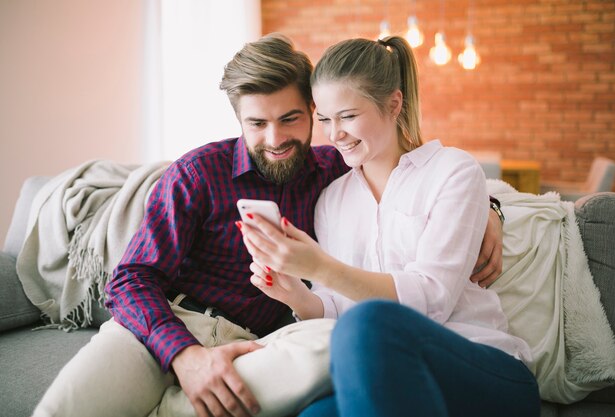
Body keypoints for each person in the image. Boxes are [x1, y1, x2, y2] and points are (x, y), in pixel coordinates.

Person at [33, 34, 505, 417]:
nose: (275, 138)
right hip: (167, 323)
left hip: (259, 345)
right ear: (238, 117)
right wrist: (185, 355)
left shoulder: (331, 172)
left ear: (309, 111)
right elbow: (131, 278)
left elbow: (415, 172)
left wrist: (491, 208)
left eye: (292, 119)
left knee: (333, 347)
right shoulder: (199, 173)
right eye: (257, 123)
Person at [239, 36, 540, 417]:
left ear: (394, 104)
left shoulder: (452, 171)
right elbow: (339, 312)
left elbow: (431, 299)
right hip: (385, 371)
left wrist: (321, 266)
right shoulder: (332, 199)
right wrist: (296, 294)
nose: (335, 135)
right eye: (325, 120)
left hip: (483, 366)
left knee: (370, 321)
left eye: (347, 116)